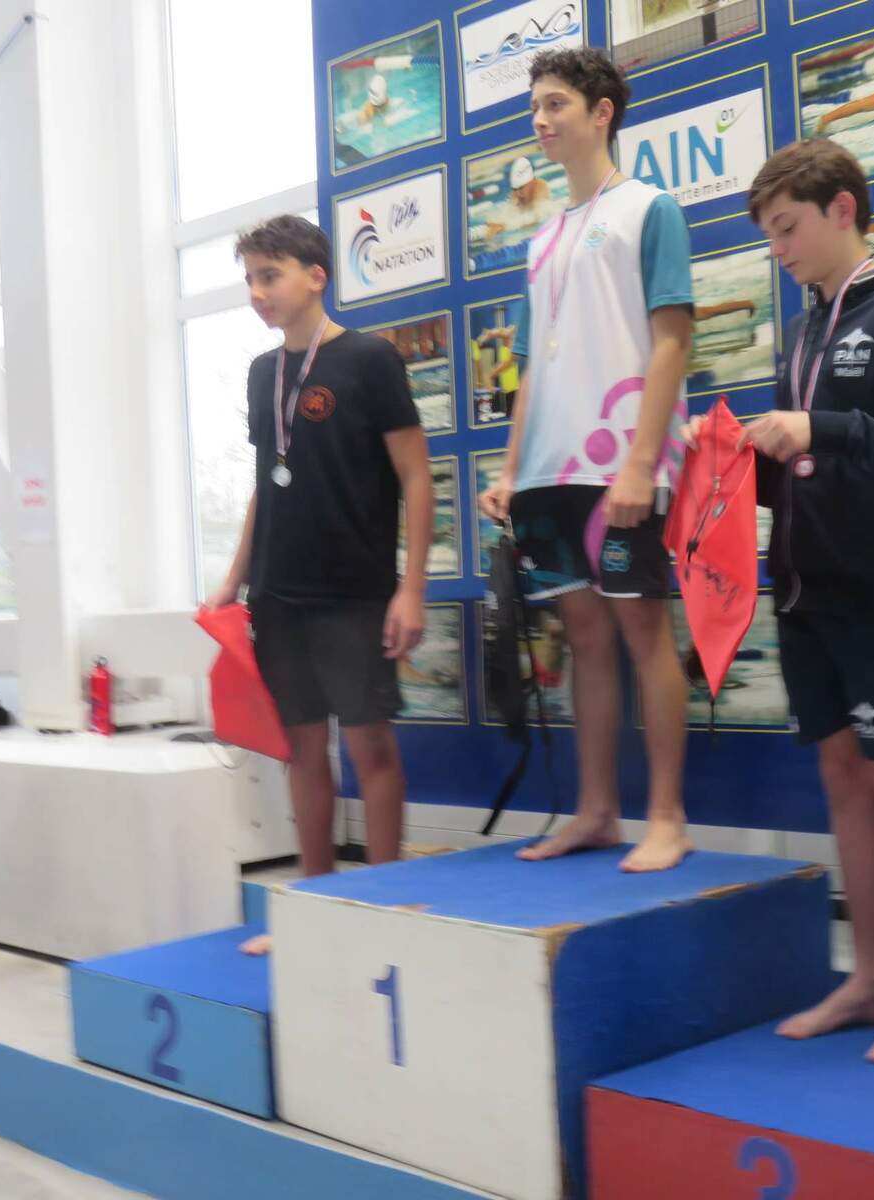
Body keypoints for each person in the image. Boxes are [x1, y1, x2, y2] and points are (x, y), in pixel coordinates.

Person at [690, 137, 874, 1064]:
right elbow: (801, 473)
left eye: (787, 229)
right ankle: (870, 979)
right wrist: (729, 456)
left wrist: (824, 426)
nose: (777, 250)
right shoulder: (807, 328)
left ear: (842, 209)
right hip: (805, 587)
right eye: (769, 236)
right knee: (845, 782)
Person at [477, 46, 696, 873]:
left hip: (621, 466)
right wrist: (510, 471)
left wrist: (642, 461)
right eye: (535, 106)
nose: (540, 119)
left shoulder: (650, 208)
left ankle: (667, 816)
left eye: (556, 103)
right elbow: (529, 367)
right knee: (584, 639)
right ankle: (598, 811)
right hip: (547, 471)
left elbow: (672, 339)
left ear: (602, 113)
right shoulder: (541, 241)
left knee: (644, 632)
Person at [205, 216, 433, 954]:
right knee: (300, 754)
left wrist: (411, 588)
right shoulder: (261, 373)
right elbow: (264, 482)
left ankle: (386, 905)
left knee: (371, 749)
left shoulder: (370, 360)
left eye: (269, 275)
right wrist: (234, 580)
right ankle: (316, 907)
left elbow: (416, 475)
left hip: (355, 592)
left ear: (315, 276)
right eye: (250, 278)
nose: (257, 292)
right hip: (278, 593)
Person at [485, 156, 559, 240]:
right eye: (515, 189)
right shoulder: (517, 190)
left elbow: (537, 217)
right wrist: (496, 223)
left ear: (531, 183)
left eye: (521, 188)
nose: (518, 193)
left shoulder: (540, 187)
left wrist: (505, 226)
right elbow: (508, 211)